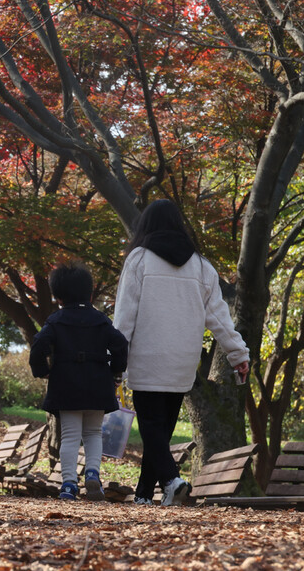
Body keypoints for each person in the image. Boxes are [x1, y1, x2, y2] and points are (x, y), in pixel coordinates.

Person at [113, 199, 250, 506]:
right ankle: (144, 495)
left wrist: (115, 360)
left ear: (146, 225)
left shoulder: (139, 260)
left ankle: (172, 481)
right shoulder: (202, 266)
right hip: (183, 361)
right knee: (160, 431)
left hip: (147, 358)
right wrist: (238, 355)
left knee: (152, 429)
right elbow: (220, 319)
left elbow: (124, 318)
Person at [29, 260, 128, 501]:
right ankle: (93, 475)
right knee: (93, 433)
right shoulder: (101, 320)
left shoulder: (56, 319)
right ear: (89, 291)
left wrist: (43, 370)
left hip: (66, 383)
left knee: (71, 435)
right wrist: (115, 372)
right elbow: (120, 345)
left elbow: (39, 345)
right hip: (97, 383)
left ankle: (69, 484)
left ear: (58, 296)